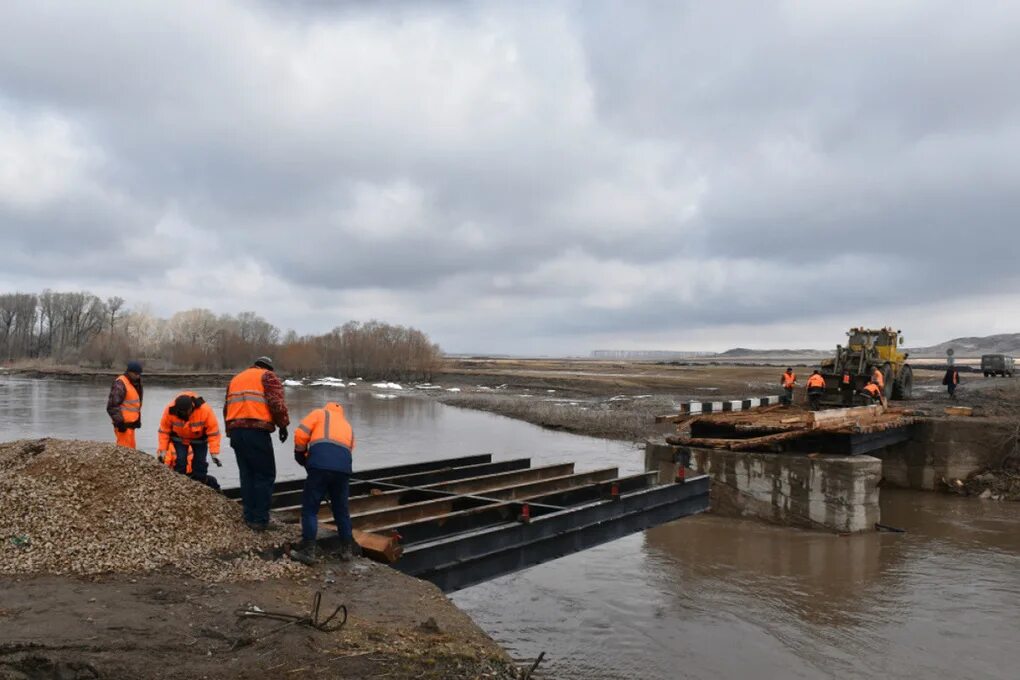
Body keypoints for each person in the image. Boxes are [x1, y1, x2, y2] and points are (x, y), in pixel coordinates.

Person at [224, 356, 290, 531]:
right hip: (256, 431)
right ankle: (260, 520)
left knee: (247, 474)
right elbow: (277, 404)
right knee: (264, 475)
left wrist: (229, 431)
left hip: (236, 432)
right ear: (268, 367)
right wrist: (283, 426)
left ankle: (248, 515)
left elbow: (226, 408)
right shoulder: (267, 377)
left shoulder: (237, 378)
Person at [289, 402, 358, 565]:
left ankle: (308, 551)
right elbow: (349, 449)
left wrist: (300, 454)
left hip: (319, 466)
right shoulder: (347, 426)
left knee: (310, 509)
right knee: (341, 509)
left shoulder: (320, 413)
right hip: (343, 470)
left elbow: (301, 433)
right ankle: (347, 550)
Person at [157, 392, 222, 489]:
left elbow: (213, 433)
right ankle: (179, 486)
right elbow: (164, 431)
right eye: (181, 412)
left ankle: (200, 485)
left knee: (200, 464)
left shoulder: (205, 410)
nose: (184, 414)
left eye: (186, 411)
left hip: (199, 440)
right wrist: (162, 451)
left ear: (192, 407)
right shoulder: (170, 410)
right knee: (180, 462)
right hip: (179, 439)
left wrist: (214, 453)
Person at [107, 361, 143, 448]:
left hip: (130, 425)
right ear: (129, 372)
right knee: (125, 452)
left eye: (139, 374)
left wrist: (137, 420)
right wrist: (120, 423)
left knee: (130, 451)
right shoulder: (120, 384)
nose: (138, 376)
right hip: (123, 426)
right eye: (136, 374)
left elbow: (134, 405)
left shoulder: (134, 383)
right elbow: (112, 406)